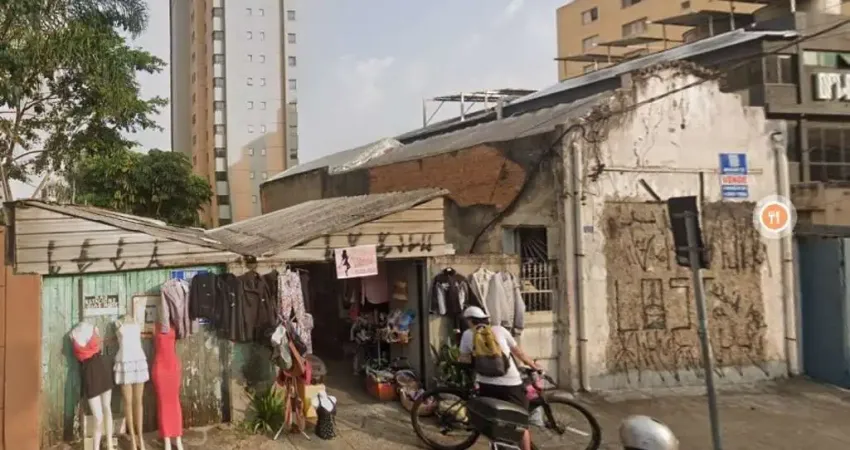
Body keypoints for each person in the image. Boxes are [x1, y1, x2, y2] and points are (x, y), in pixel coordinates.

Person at [458, 306, 539, 450]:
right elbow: (518, 352)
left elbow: (463, 360)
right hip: (511, 383)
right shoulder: (500, 330)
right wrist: (532, 364)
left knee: (493, 420)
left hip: (486, 384)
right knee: (520, 422)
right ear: (485, 318)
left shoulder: (467, 335)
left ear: (470, 321)